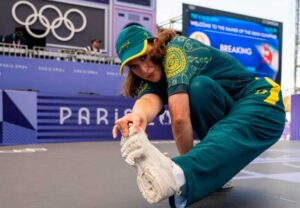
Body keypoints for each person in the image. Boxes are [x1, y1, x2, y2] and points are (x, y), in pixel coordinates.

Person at [112, 25, 285, 207]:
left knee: (199, 88)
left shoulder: (176, 50)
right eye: (134, 66)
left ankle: (179, 174)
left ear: (155, 43)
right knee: (199, 88)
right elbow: (149, 99)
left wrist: (183, 170)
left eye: (144, 57)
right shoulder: (153, 75)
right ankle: (215, 172)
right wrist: (138, 116)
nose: (144, 69)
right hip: (228, 110)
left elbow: (179, 118)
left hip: (261, 100)